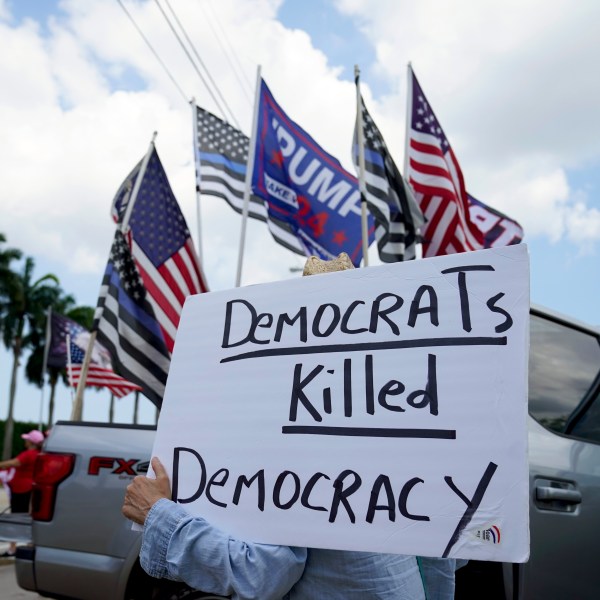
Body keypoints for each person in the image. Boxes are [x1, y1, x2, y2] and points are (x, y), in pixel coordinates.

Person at [122, 254, 461, 598]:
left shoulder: (301, 437)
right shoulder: (408, 426)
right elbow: (446, 559)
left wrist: (159, 516)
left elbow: (262, 574)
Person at [0, 429, 44, 557]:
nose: (24, 440)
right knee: (28, 516)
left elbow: (14, 462)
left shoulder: (29, 454)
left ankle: (12, 549)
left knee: (15, 517)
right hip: (28, 488)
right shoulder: (38, 454)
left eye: (26, 439)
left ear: (31, 442)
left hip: (21, 489)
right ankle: (30, 544)